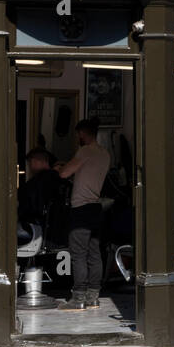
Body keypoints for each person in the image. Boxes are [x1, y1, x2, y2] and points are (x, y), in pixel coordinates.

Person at [56, 118, 111, 310]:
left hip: (81, 208)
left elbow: (65, 173)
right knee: (94, 253)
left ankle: (78, 297)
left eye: (78, 134)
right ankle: (93, 296)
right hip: (96, 207)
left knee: (78, 253)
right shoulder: (104, 154)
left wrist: (60, 167)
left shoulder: (85, 150)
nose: (77, 137)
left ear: (83, 133)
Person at [18, 147, 63, 242]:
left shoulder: (37, 182)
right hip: (54, 230)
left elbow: (29, 207)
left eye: (30, 162)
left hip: (34, 228)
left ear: (36, 161)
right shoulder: (57, 179)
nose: (30, 166)